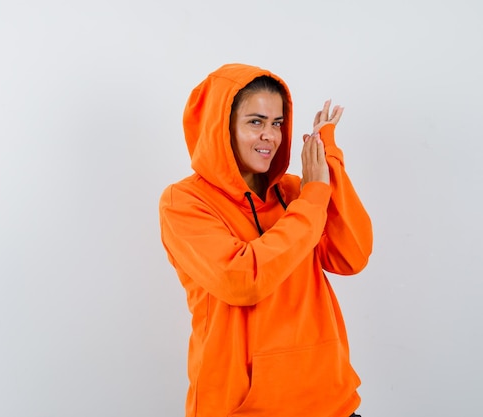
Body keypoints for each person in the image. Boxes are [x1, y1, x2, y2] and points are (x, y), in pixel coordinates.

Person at [158, 63, 372, 417]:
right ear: (220, 127)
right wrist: (314, 196)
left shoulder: (294, 192)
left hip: (329, 401)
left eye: (277, 123)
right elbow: (243, 279)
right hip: (243, 408)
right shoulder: (184, 202)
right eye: (255, 122)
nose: (270, 136)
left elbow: (352, 255)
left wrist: (328, 162)